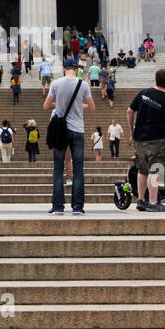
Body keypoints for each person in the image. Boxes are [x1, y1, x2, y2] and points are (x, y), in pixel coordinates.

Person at [126, 67, 165, 212]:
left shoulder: (143, 93)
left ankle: (141, 200)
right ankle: (153, 202)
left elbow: (129, 111)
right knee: (155, 170)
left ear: (155, 78)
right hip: (158, 140)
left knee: (142, 169)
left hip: (140, 139)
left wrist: (131, 130)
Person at [44, 58, 94, 214]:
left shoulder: (56, 84)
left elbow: (46, 105)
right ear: (77, 69)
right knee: (78, 168)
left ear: (64, 69)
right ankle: (78, 206)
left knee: (58, 168)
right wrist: (80, 105)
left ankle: (58, 206)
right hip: (78, 130)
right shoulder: (84, 84)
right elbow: (91, 108)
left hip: (61, 131)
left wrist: (58, 104)